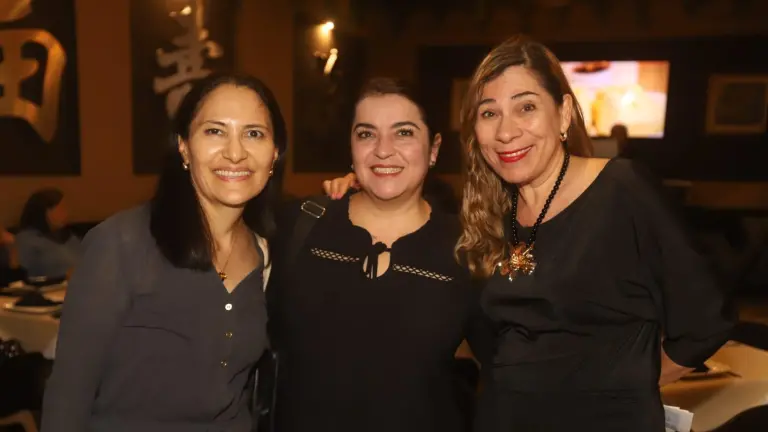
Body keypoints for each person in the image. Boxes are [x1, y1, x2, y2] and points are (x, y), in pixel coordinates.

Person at [452, 35, 732, 431]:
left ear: (563, 113)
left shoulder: (622, 189)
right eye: (489, 113)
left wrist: (624, 386)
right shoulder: (489, 214)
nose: (506, 131)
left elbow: (707, 318)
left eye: (526, 107)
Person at [41, 73, 287, 432]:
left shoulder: (266, 253)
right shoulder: (121, 243)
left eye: (254, 134)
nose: (235, 152)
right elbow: (67, 396)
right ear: (184, 147)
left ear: (275, 153)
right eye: (215, 131)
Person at [267, 77, 490, 432]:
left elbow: (508, 370)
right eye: (366, 134)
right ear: (351, 147)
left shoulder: (468, 247)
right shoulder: (298, 226)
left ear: (433, 149)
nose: (383, 150)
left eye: (403, 133)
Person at [14, 189, 80, 279]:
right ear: (44, 211)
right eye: (61, 208)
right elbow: (21, 276)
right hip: (49, 289)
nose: (66, 213)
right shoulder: (27, 239)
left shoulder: (70, 237)